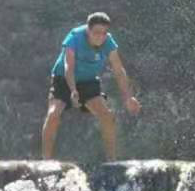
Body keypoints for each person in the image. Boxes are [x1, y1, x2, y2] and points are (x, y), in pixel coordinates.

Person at [42, 12, 140, 161]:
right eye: (96, 33)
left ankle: (111, 161)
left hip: (88, 81)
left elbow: (119, 70)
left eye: (104, 33)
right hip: (63, 79)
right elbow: (69, 66)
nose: (100, 37)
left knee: (107, 116)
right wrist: (73, 90)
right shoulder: (74, 37)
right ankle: (45, 161)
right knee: (53, 114)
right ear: (88, 30)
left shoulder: (108, 42)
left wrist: (128, 97)